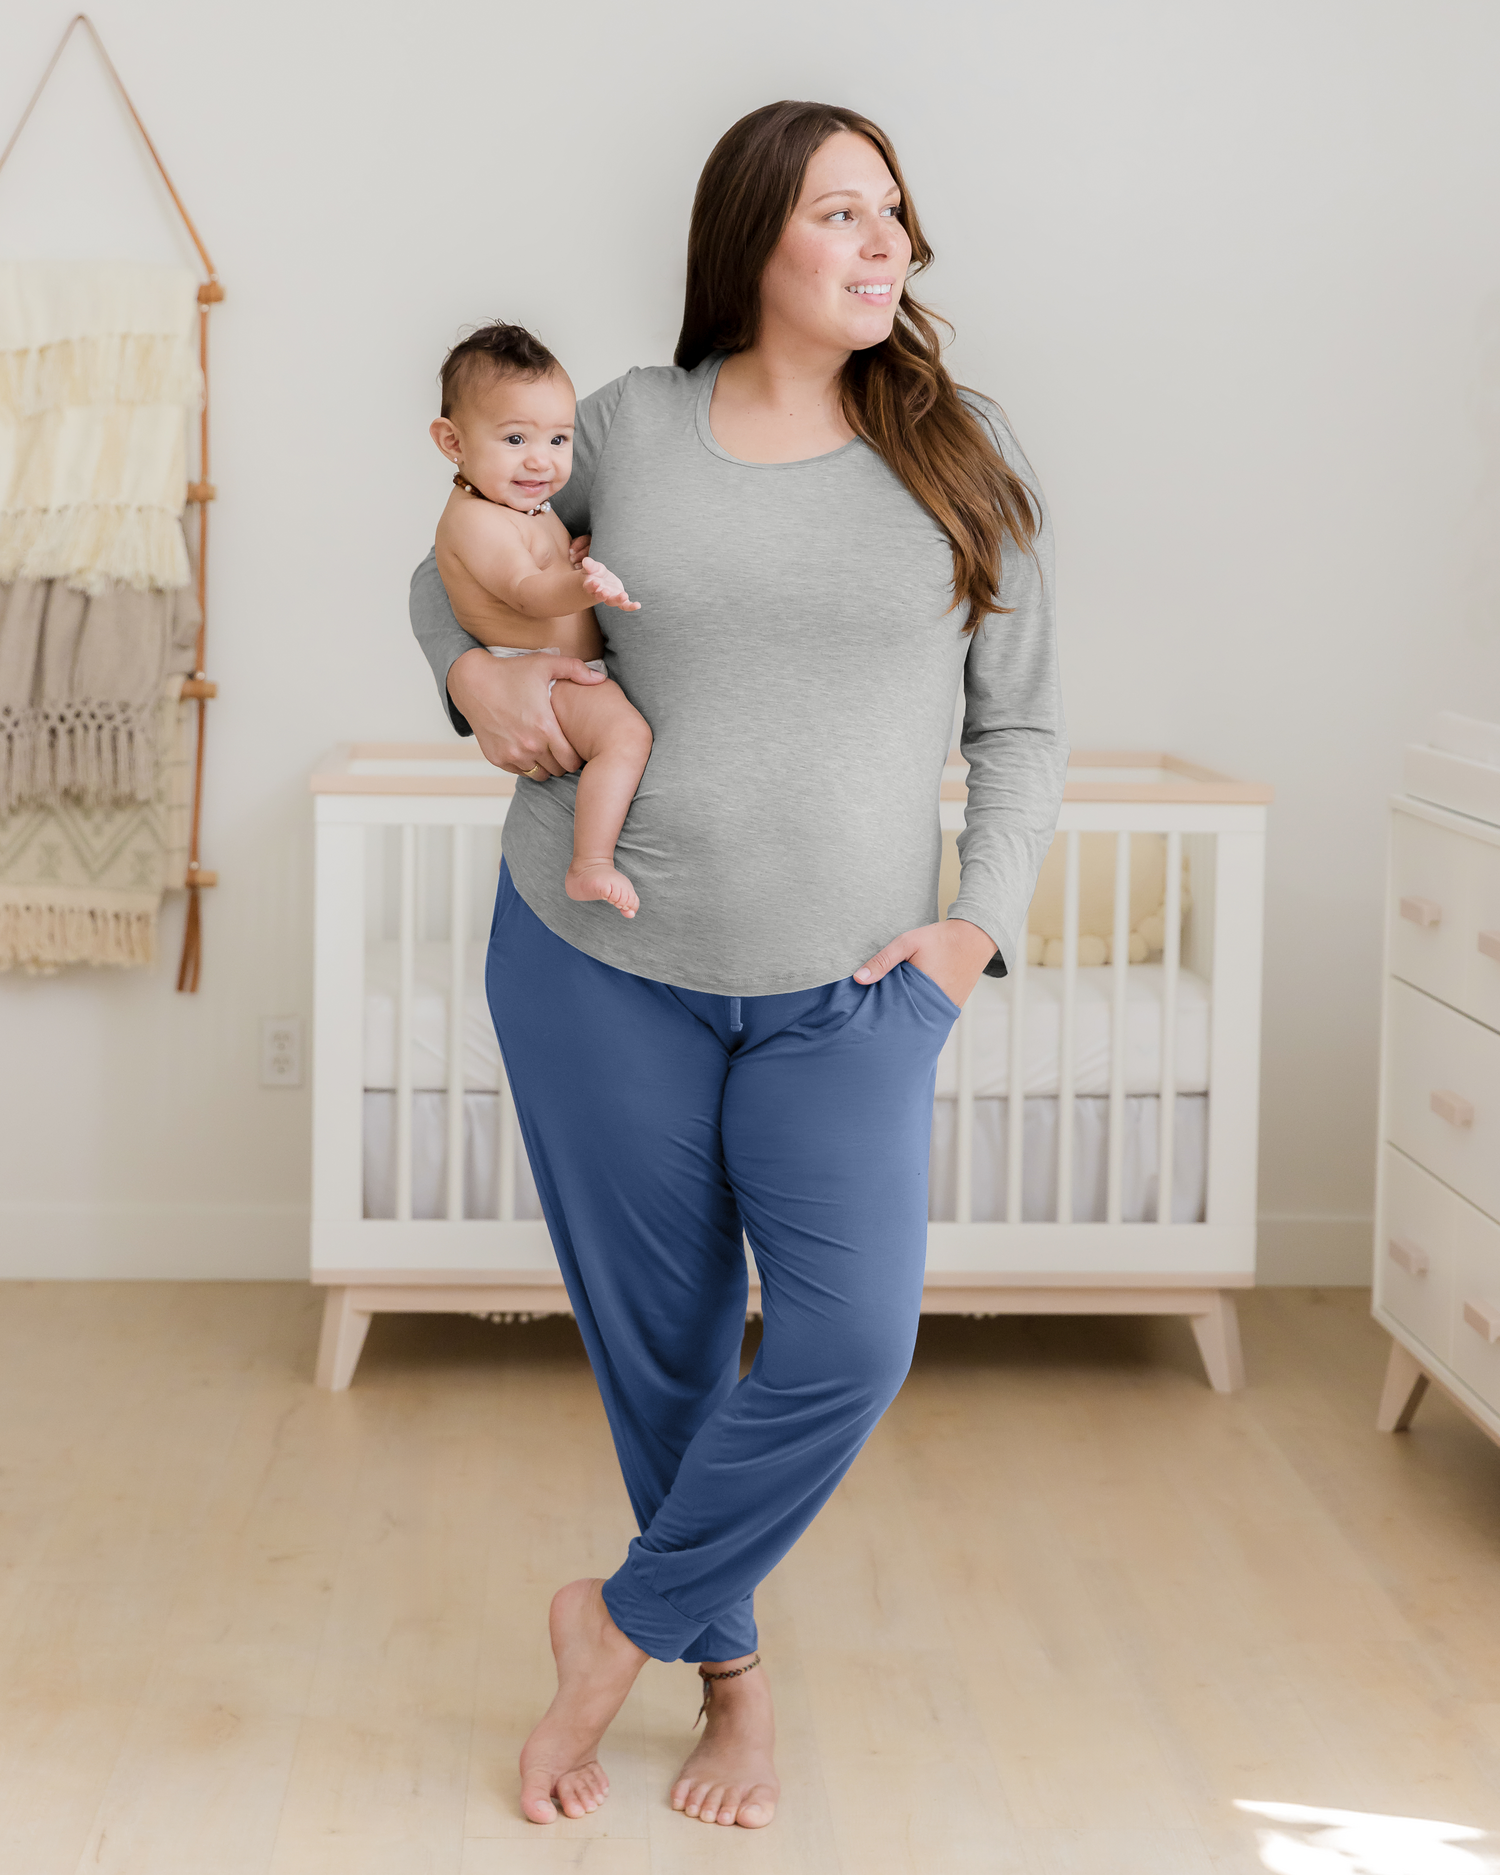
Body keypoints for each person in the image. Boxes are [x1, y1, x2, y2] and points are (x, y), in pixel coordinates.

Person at [410, 98, 1068, 1832]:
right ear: (752, 240)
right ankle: (735, 1691)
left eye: (896, 215)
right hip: (595, 964)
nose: (885, 244)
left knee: (848, 1343)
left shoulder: (960, 453)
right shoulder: (627, 425)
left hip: (851, 987)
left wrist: (969, 931)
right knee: (675, 1356)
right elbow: (459, 563)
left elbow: (1026, 730)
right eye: (842, 213)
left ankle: (608, 1632)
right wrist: (474, 680)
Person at [429, 322, 652, 917]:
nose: (542, 461)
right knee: (627, 739)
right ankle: (591, 864)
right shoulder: (476, 520)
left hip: (560, 670)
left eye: (559, 440)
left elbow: (542, 562)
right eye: (514, 439)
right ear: (453, 442)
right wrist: (580, 584)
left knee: (624, 736)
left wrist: (570, 553)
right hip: (535, 676)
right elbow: (527, 592)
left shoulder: (522, 504)